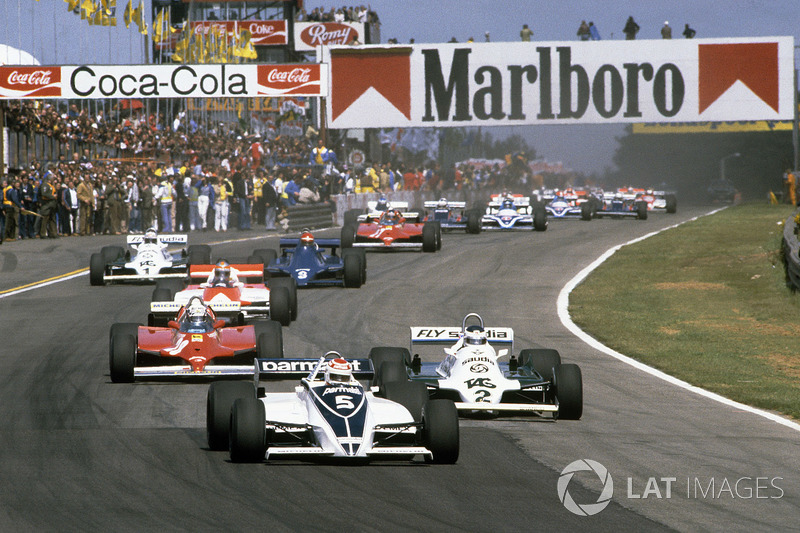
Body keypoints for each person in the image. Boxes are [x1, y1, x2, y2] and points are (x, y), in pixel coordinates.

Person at [38, 172, 59, 239]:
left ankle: (53, 233)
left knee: (52, 220)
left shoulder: (51, 185)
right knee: (45, 220)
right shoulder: (45, 185)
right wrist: (52, 196)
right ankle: (43, 234)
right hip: (46, 205)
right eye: (53, 178)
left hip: (52, 205)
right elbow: (44, 193)